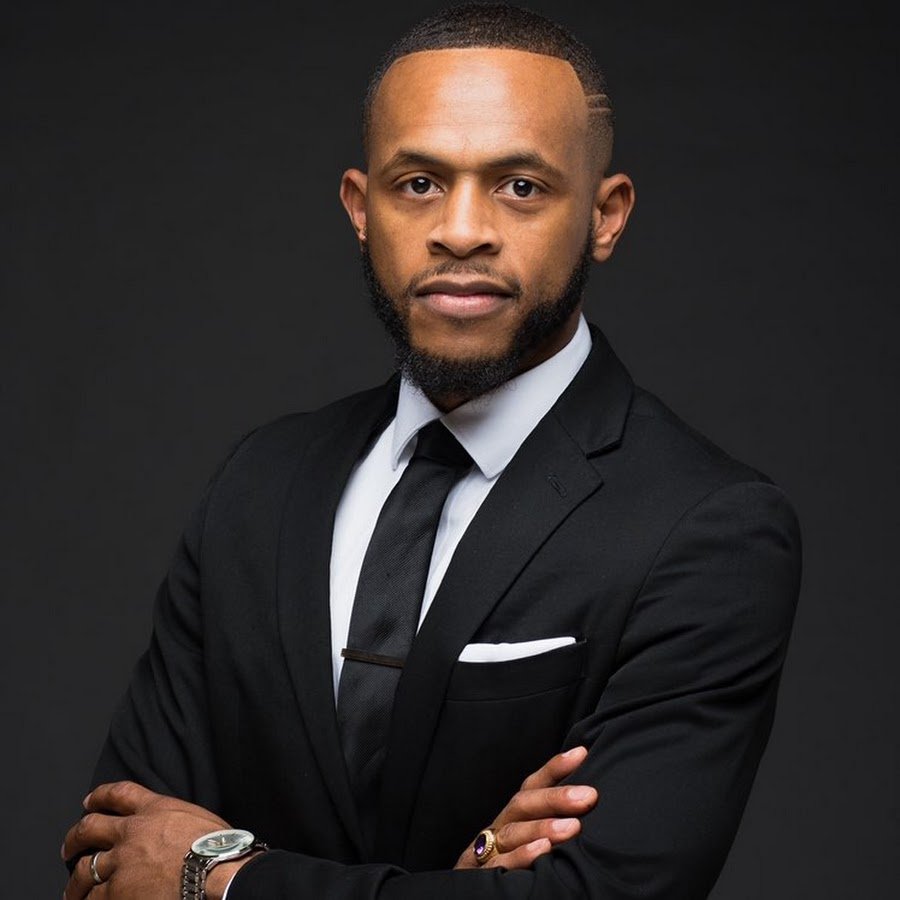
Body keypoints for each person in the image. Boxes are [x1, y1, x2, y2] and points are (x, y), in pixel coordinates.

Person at [61, 4, 801, 899]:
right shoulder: (260, 482)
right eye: (417, 183)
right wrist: (461, 881)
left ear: (606, 216)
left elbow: (597, 896)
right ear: (359, 207)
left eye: (519, 187)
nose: (460, 229)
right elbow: (114, 865)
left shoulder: (705, 528)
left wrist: (222, 879)